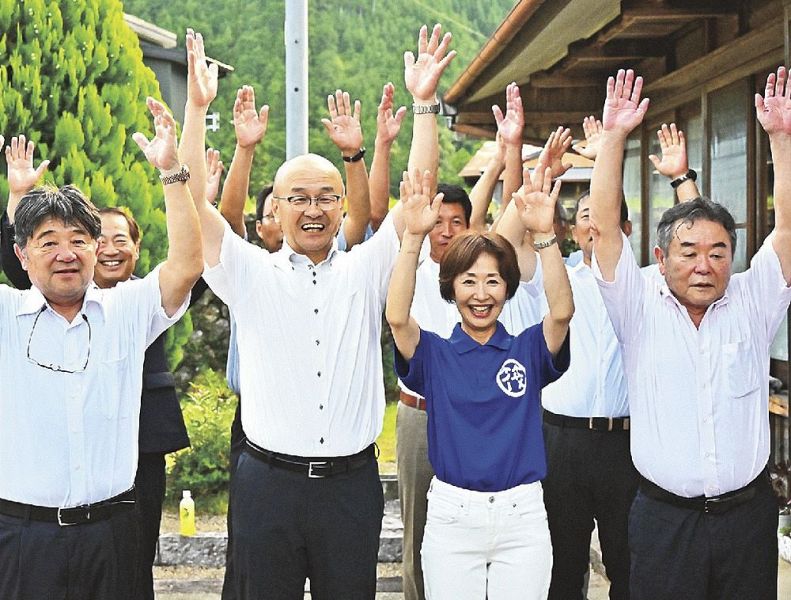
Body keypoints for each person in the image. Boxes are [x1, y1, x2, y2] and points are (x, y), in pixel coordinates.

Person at [588, 67, 791, 600]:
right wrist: (612, 139)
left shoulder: (753, 299)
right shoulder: (637, 304)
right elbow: (605, 228)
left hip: (746, 519)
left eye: (718, 252)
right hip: (663, 519)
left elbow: (787, 228)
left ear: (734, 256)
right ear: (659, 257)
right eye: (689, 252)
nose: (705, 266)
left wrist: (780, 140)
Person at [0, 95, 202, 599]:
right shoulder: (5, 315)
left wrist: (172, 173)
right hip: (23, 541)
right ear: (22, 255)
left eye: (78, 240)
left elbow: (187, 265)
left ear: (95, 248)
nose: (65, 253)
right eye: (48, 242)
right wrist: (16, 198)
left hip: (112, 536)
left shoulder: (129, 310)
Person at [216, 81, 377, 600]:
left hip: (350, 486)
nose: (313, 209)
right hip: (268, 484)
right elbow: (218, 226)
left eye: (325, 198)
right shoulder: (252, 274)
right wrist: (243, 150)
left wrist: (357, 152)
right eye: (299, 199)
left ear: (340, 204)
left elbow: (392, 211)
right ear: (276, 209)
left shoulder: (364, 272)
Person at [387, 166, 573, 600]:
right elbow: (397, 317)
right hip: (453, 516)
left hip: (522, 515)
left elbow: (561, 312)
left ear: (507, 289)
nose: (481, 293)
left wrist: (545, 237)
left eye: (492, 281)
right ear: (451, 290)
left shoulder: (526, 349)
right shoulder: (434, 354)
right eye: (468, 281)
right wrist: (413, 237)